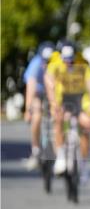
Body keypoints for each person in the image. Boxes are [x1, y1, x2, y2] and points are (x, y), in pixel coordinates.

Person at [45, 41, 90, 184]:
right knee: (58, 118)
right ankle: (61, 156)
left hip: (80, 97)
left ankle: (84, 165)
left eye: (71, 60)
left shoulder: (83, 63)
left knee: (87, 124)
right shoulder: (55, 62)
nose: (68, 63)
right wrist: (52, 102)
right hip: (62, 96)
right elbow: (49, 81)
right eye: (65, 60)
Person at [22, 41, 56, 170]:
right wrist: (28, 110)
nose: (46, 63)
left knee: (55, 115)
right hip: (38, 92)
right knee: (37, 115)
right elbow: (30, 87)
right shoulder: (36, 64)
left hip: (52, 92)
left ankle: (56, 148)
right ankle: (35, 150)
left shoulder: (57, 64)